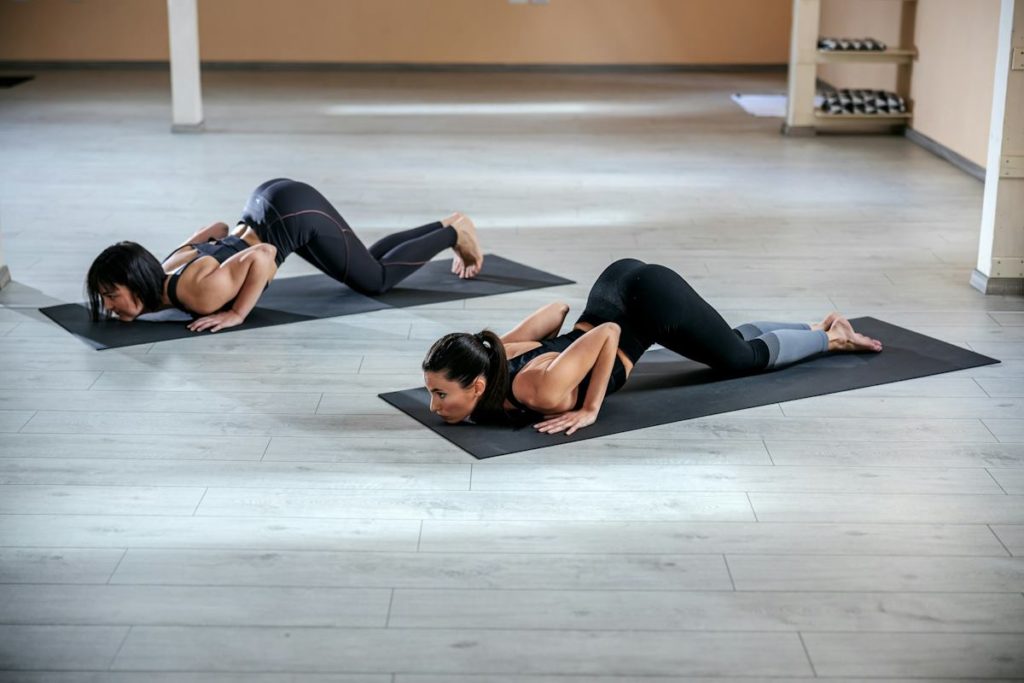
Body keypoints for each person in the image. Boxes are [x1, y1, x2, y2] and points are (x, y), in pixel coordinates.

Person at [421, 258, 882, 435]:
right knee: (729, 343)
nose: (433, 404)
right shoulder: (497, 357)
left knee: (742, 360)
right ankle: (814, 324)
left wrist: (590, 409)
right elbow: (558, 309)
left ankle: (831, 336)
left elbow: (609, 335)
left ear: (477, 385)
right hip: (614, 284)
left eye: (441, 394)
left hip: (649, 303)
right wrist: (496, 343)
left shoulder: (537, 391)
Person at [86, 178, 484, 332]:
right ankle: (447, 224)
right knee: (364, 264)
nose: (108, 303)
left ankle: (453, 232)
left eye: (111, 293)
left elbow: (264, 254)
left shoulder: (196, 294)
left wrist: (237, 312)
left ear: (136, 282)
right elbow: (216, 230)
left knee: (376, 281)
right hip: (266, 202)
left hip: (290, 217)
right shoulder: (165, 264)